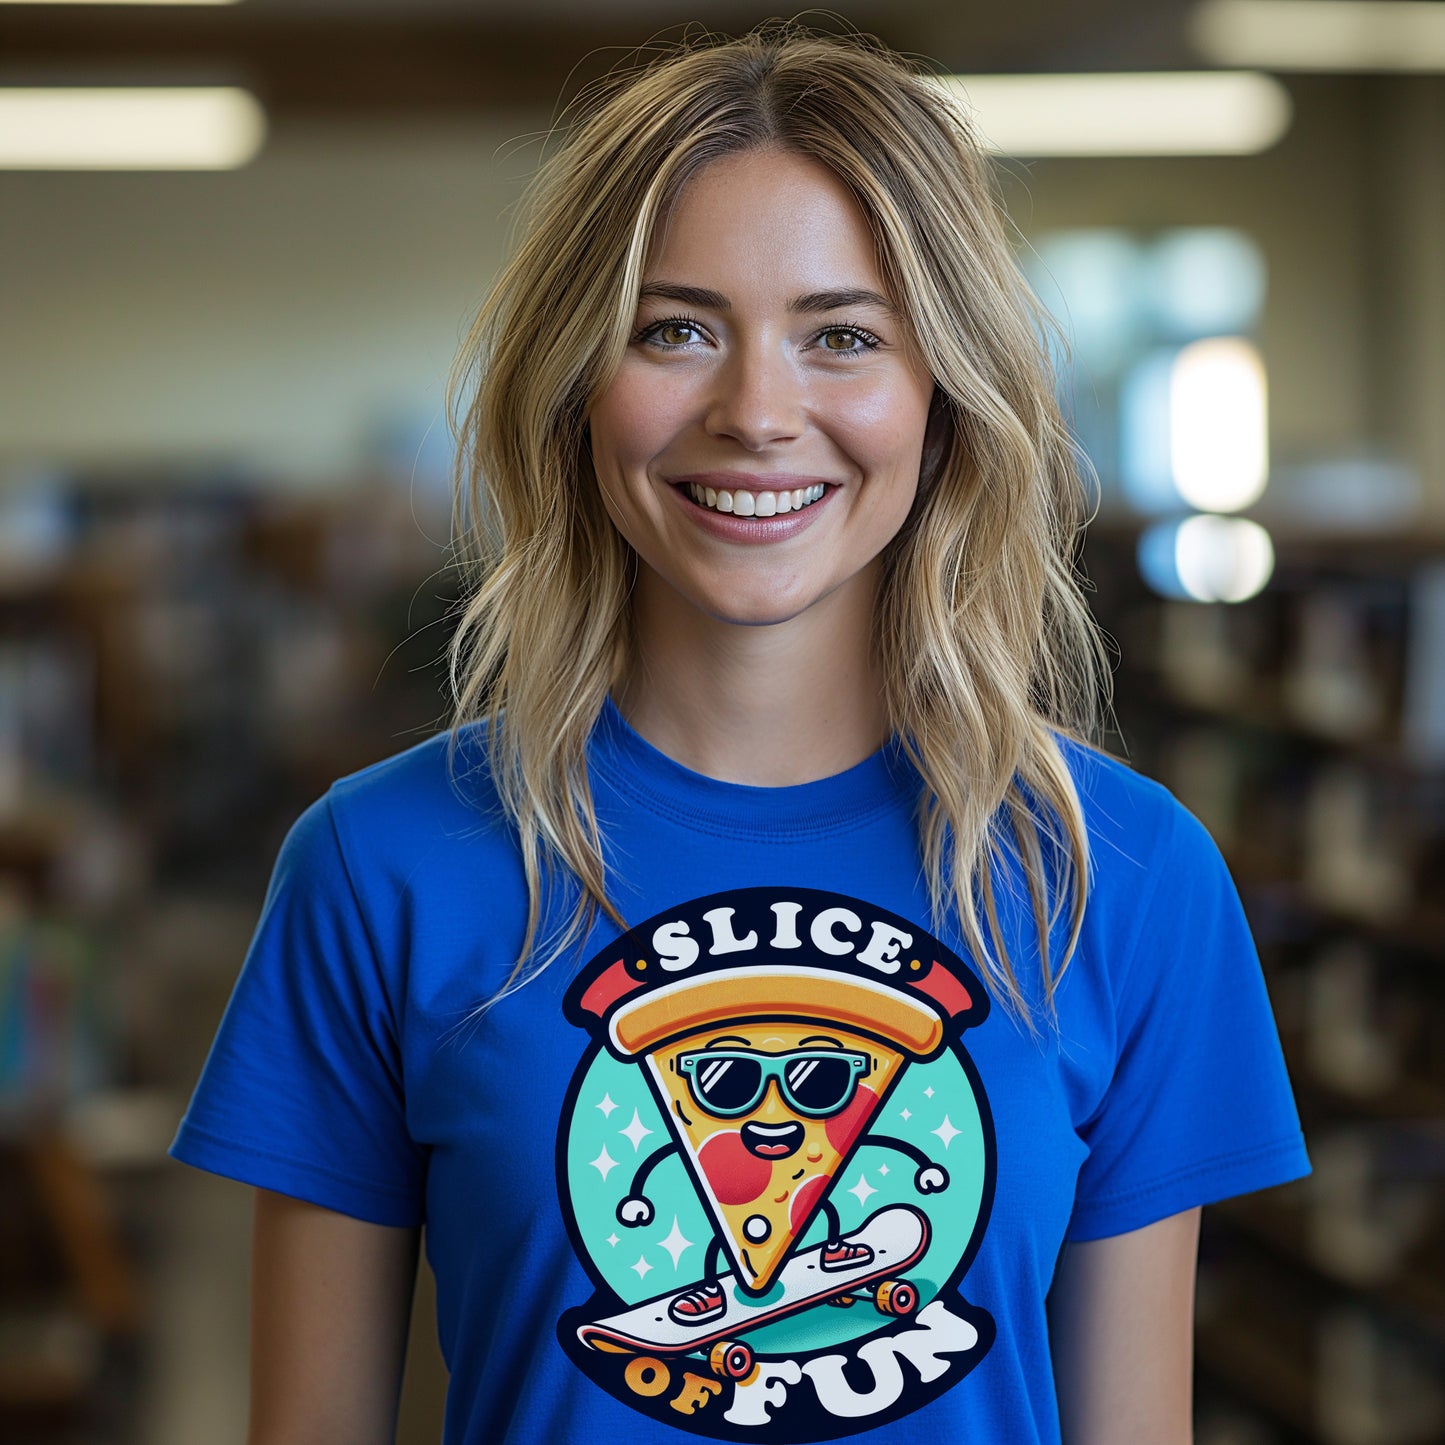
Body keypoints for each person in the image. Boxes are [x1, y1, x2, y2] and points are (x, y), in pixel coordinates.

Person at [170, 22, 1309, 1445]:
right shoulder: (379, 865)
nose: (758, 412)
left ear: (942, 398)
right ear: (577, 385)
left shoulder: (1123, 877)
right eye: (675, 328)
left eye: (842, 335)